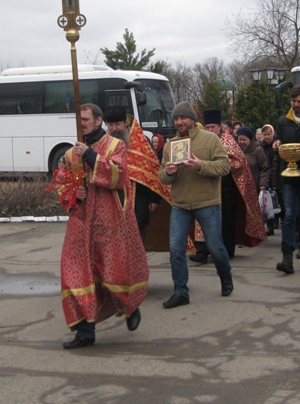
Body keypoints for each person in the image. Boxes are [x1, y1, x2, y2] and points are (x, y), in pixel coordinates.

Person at [54, 104, 149, 348]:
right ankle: (85, 332)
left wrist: (89, 154)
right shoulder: (71, 154)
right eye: (79, 119)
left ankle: (129, 305)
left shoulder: (115, 146)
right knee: (75, 274)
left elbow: (118, 176)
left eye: (86, 119)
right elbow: (66, 184)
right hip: (81, 223)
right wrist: (75, 192)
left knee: (111, 273)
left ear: (98, 121)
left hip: (108, 222)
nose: (82, 123)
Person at [159, 102, 233, 308]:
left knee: (215, 248)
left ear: (193, 119)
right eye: (176, 118)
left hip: (207, 202)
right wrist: (169, 173)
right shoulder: (170, 145)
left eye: (183, 118)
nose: (179, 122)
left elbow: (225, 166)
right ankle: (181, 291)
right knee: (176, 249)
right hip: (180, 204)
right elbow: (162, 175)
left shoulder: (210, 139)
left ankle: (225, 276)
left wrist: (201, 165)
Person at [190, 110, 264, 262]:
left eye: (213, 127)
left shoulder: (229, 141)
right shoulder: (201, 140)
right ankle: (202, 252)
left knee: (226, 221)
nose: (210, 130)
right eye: (207, 127)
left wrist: (219, 164)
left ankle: (227, 250)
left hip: (226, 189)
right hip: (205, 187)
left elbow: (239, 162)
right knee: (202, 219)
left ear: (220, 127)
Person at [105, 107, 171, 243]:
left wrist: (153, 199)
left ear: (125, 123)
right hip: (112, 198)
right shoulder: (104, 143)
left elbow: (151, 169)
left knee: (138, 239)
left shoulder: (140, 141)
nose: (114, 128)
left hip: (138, 199)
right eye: (110, 125)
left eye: (117, 124)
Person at [273, 85, 300, 274]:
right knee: (289, 214)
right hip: (289, 174)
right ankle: (287, 256)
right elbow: (278, 137)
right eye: (293, 101)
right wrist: (277, 142)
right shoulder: (284, 121)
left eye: (299, 101)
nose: (296, 105)